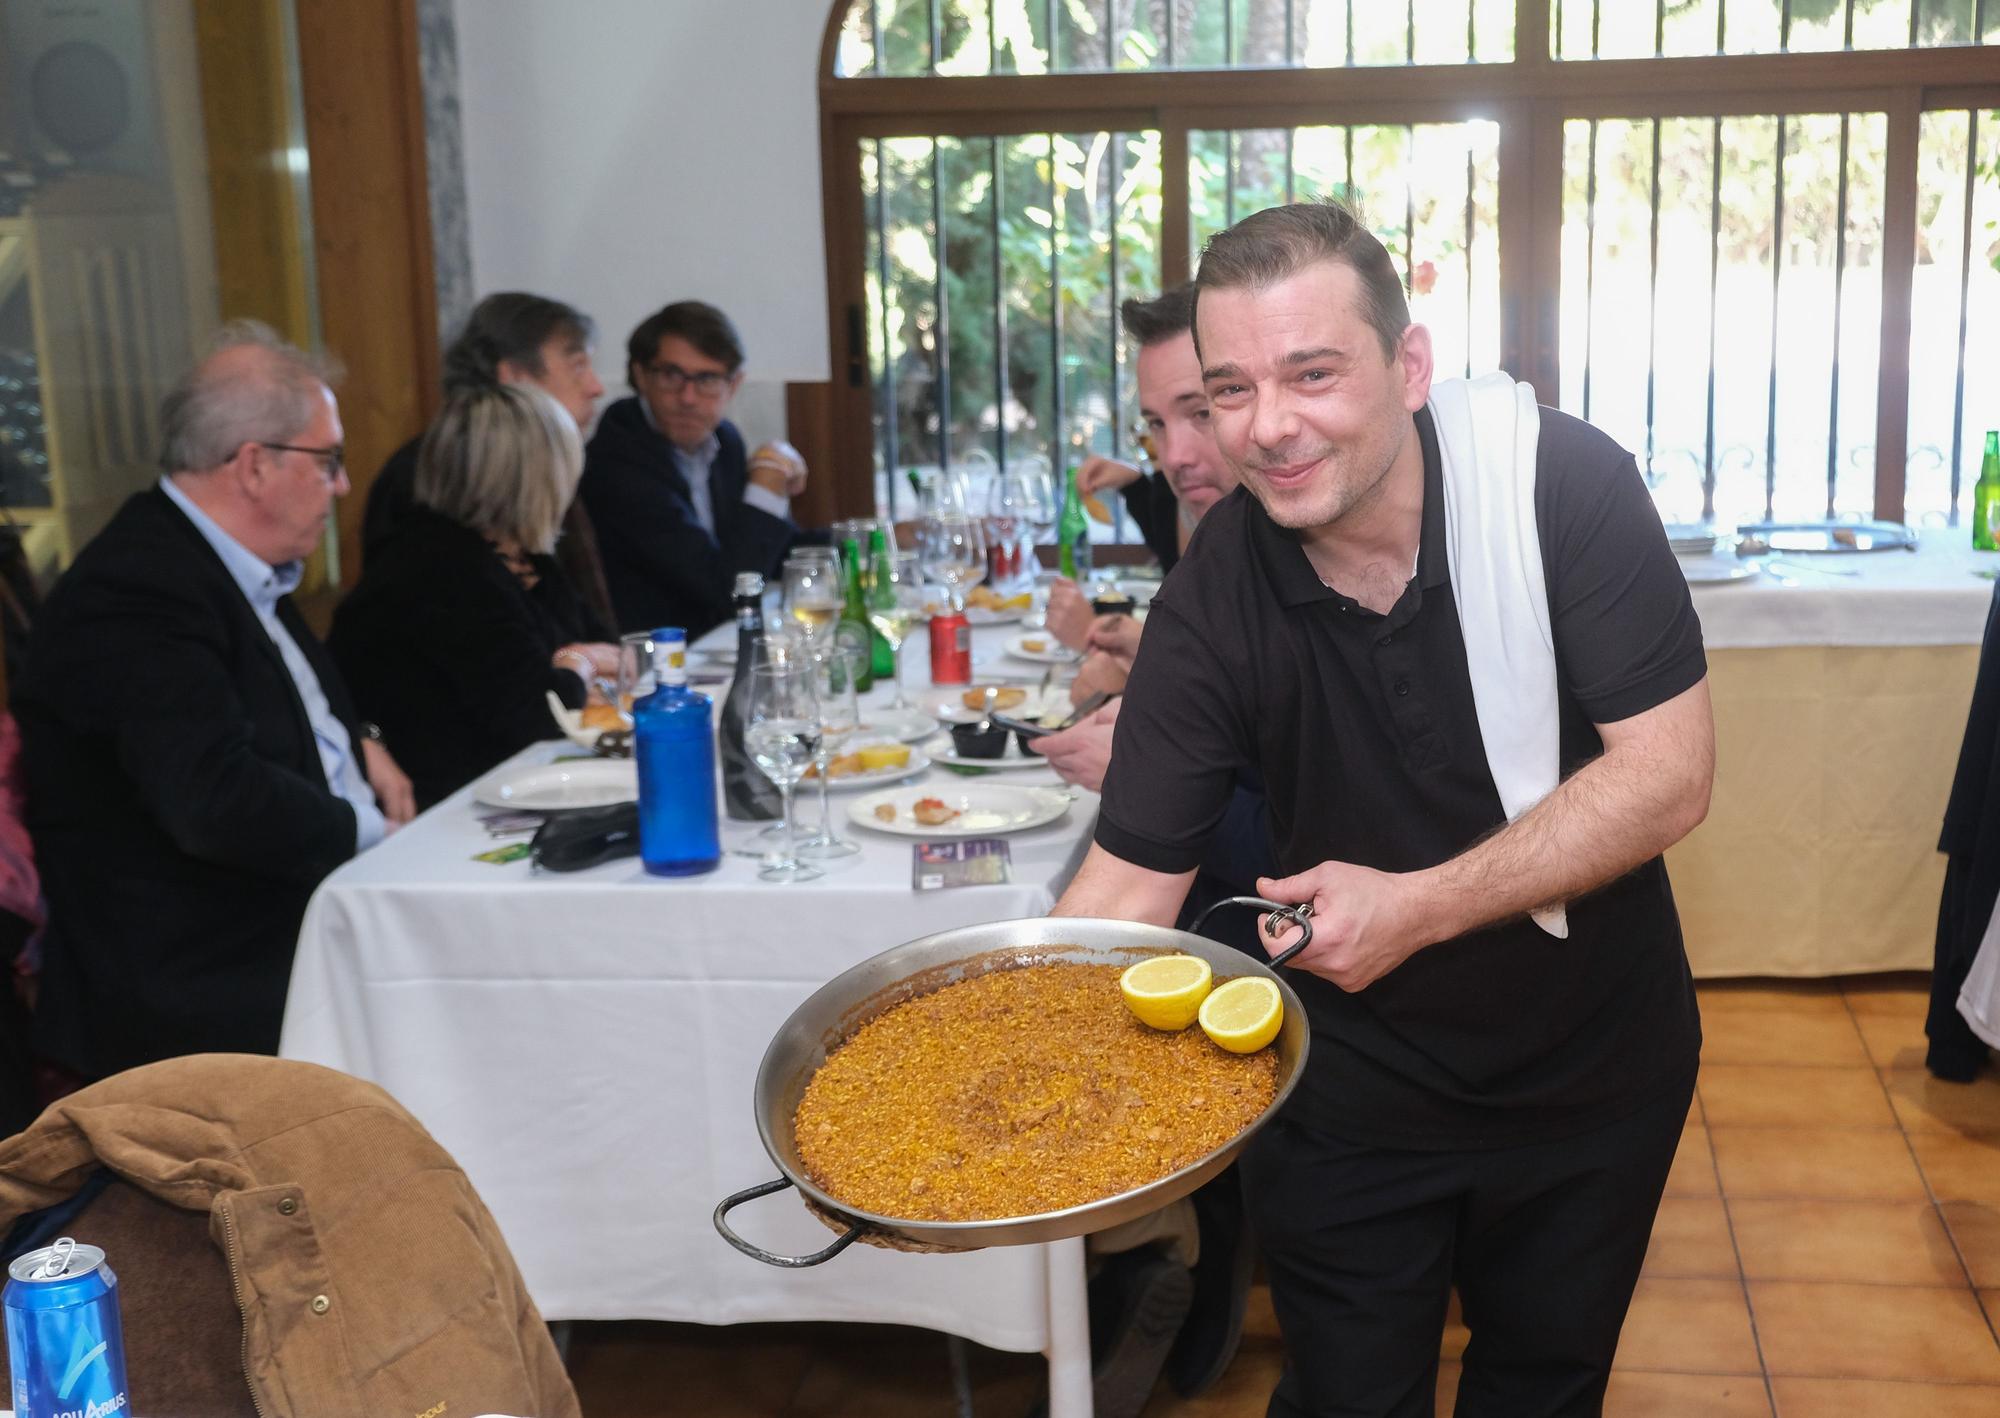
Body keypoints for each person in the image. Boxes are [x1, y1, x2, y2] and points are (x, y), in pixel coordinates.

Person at [1054, 201, 1714, 1418]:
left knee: (1541, 1388)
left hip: (1591, 1068)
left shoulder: (1560, 486)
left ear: (1408, 366)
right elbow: (1124, 888)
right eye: (1226, 391)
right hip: (1347, 1088)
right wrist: (993, 1078)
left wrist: (1417, 905)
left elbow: (1668, 771)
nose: (1267, 427)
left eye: (1312, 373)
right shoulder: (1214, 595)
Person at [14, 321, 415, 1080]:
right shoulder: (135, 590)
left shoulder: (235, 567)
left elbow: (287, 707)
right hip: (198, 978)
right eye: (327, 459)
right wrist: (376, 839)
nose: (342, 485)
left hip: (279, 916)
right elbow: (214, 799)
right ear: (255, 465)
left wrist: (361, 737)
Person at [331, 384, 619, 809]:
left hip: (494, 779)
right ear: (533, 477)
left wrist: (578, 664)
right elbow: (540, 712)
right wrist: (583, 662)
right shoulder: (442, 566)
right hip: (430, 801)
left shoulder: (523, 558)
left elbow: (612, 649)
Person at [361, 291, 614, 628]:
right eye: (577, 366)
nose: (596, 387)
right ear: (513, 377)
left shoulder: (542, 466)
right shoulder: (431, 472)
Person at [579, 300, 812, 638]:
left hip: (709, 644)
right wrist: (765, 488)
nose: (688, 398)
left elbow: (767, 552)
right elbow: (726, 589)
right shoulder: (617, 458)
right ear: (641, 376)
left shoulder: (722, 440)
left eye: (707, 379)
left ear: (733, 385)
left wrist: (872, 539)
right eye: (672, 375)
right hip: (654, 661)